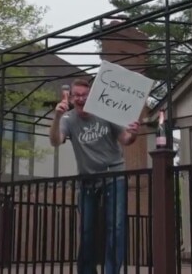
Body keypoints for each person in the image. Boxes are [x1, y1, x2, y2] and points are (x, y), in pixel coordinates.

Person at [49, 78, 140, 274]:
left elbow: (125, 139)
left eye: (85, 95)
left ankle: (111, 271)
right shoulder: (68, 119)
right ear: (71, 98)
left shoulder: (106, 112)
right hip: (87, 180)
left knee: (115, 227)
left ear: (92, 96)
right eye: (77, 95)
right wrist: (57, 117)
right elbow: (56, 141)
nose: (81, 99)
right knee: (86, 230)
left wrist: (133, 133)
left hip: (114, 176)